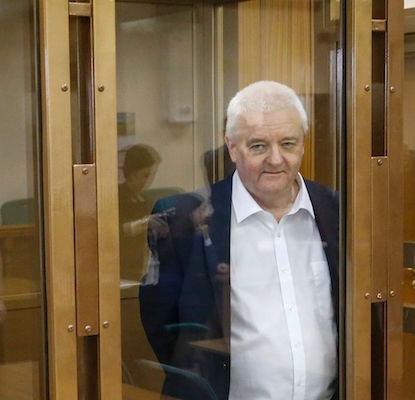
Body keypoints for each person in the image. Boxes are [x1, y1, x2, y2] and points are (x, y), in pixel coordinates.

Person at [140, 80, 339, 400]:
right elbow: (161, 324)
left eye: (288, 143)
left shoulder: (335, 210)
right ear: (232, 146)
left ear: (303, 144)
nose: (276, 159)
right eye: (259, 146)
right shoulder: (184, 221)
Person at [119, 143, 162, 282]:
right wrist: (146, 222)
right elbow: (119, 230)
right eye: (145, 175)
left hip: (143, 268)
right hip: (123, 269)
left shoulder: (145, 200)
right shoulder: (116, 197)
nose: (149, 180)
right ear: (131, 174)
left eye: (151, 175)